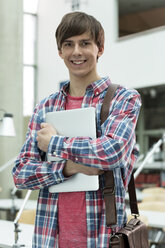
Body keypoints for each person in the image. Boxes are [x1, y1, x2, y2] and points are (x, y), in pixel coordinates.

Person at [12, 11, 141, 248]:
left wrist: (53, 144)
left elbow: (111, 152)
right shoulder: (45, 106)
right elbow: (20, 173)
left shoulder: (123, 98)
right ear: (60, 51)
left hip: (104, 239)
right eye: (68, 44)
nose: (76, 52)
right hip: (50, 239)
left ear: (99, 48)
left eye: (85, 43)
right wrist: (69, 168)